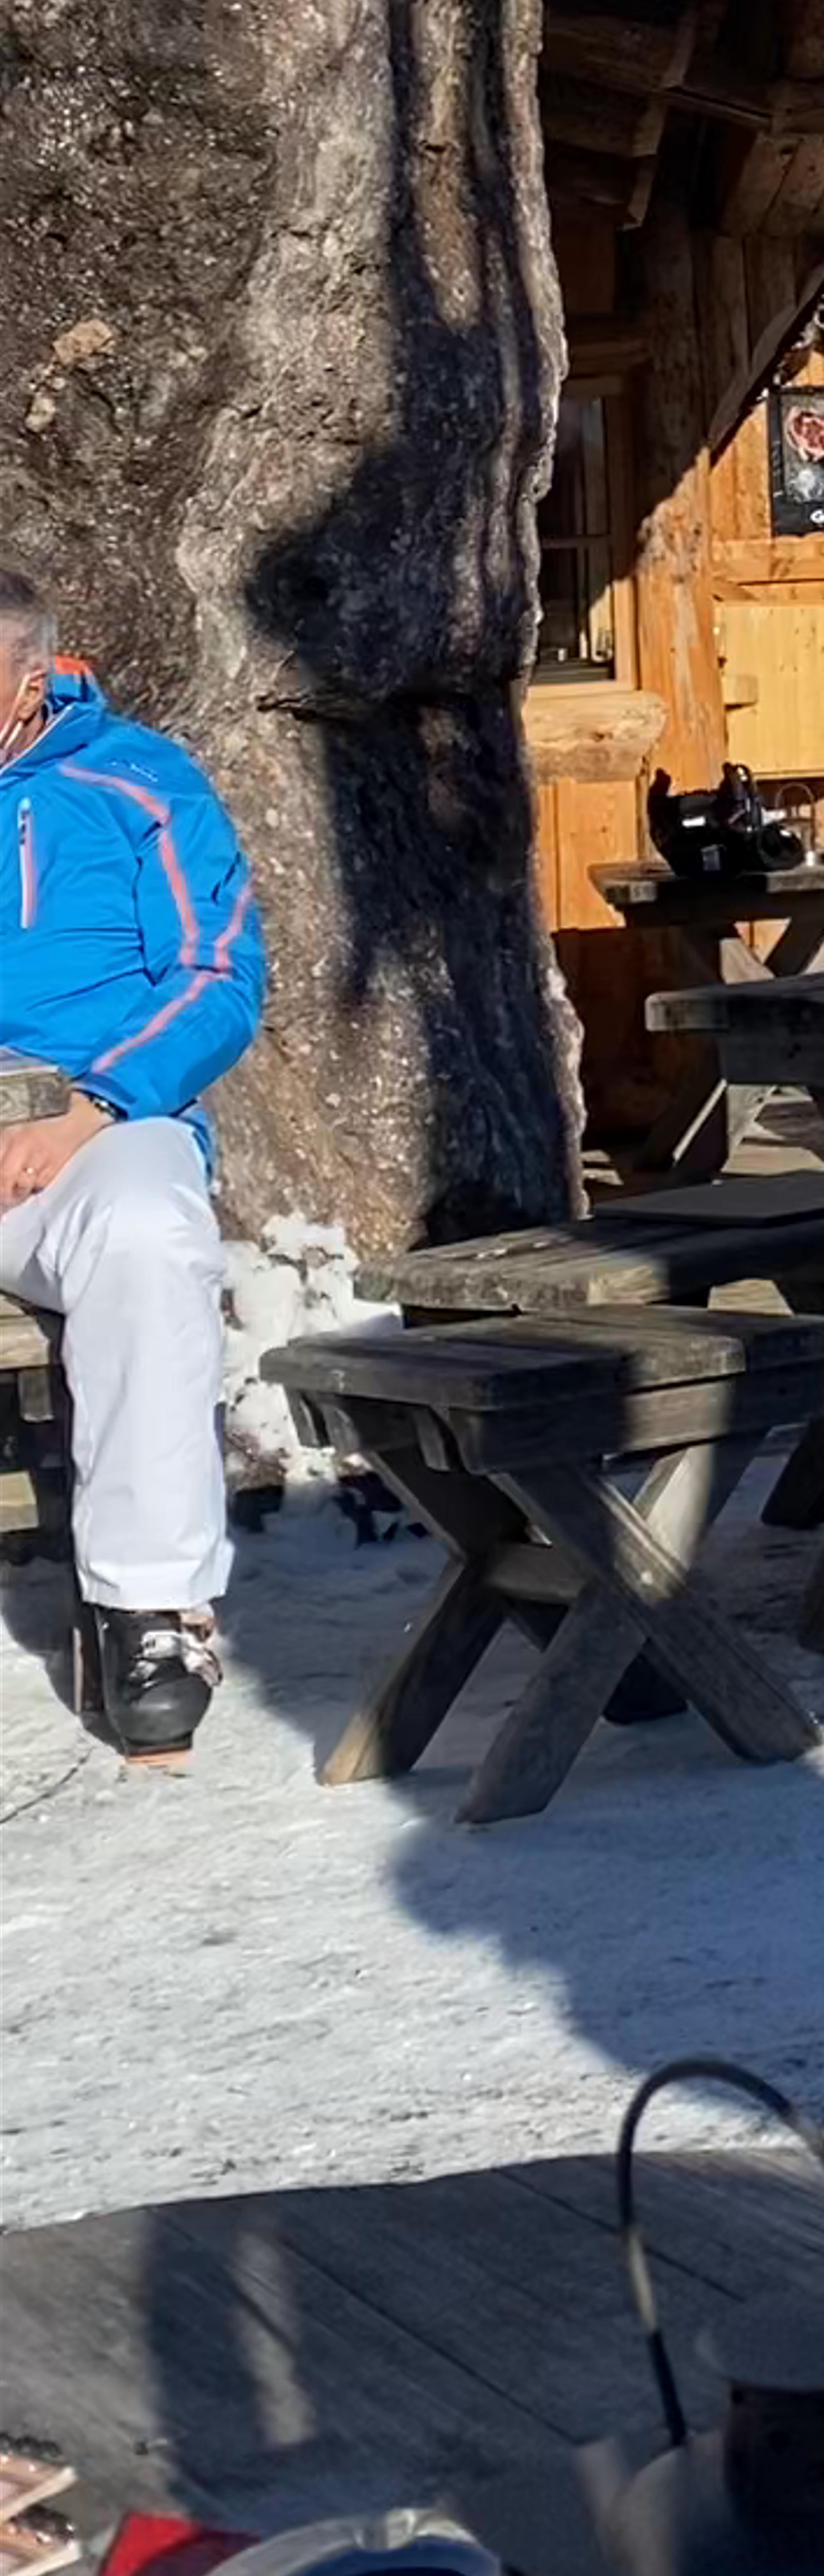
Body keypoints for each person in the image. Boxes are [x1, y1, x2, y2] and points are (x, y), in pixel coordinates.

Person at [0, 569, 264, 1759]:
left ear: (29, 677)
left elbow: (218, 976)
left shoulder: (136, 782)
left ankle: (152, 1606)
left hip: (84, 1131)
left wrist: (93, 1107)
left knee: (150, 1230)